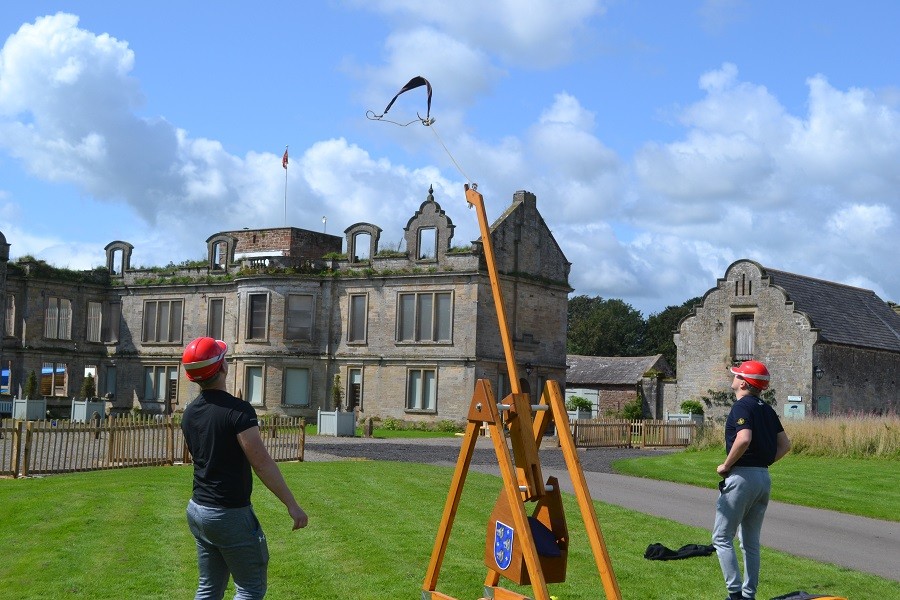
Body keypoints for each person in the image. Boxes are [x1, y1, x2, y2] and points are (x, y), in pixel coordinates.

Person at [180, 337, 308, 599]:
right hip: (229, 513)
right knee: (250, 588)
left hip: (198, 509)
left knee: (209, 587)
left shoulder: (190, 412)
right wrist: (292, 505)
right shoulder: (238, 412)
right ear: (222, 367)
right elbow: (260, 463)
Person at [712, 360, 791, 600]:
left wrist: (727, 464)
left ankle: (734, 594)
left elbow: (744, 438)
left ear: (744, 383)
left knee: (721, 537)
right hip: (763, 477)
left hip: (741, 477)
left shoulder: (742, 406)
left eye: (736, 375)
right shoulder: (767, 409)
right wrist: (762, 463)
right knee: (750, 542)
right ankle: (749, 595)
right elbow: (785, 445)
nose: (733, 378)